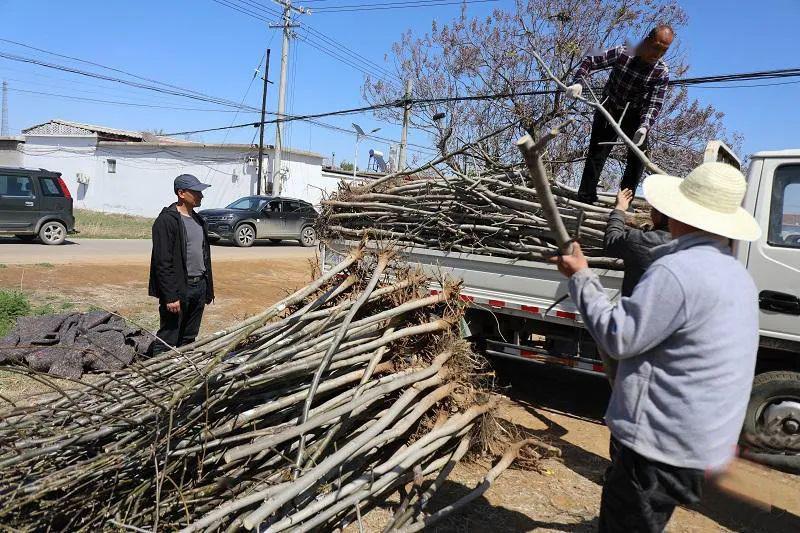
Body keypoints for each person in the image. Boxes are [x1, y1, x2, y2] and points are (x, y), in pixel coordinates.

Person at [551, 162, 761, 532]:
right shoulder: (738, 276)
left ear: (680, 214)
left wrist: (582, 278)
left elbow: (618, 336)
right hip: (696, 444)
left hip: (657, 447)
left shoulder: (677, 270)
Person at [566, 24, 674, 204]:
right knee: (597, 153)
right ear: (648, 40)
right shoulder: (624, 53)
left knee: (638, 158)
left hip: (635, 116)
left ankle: (624, 203)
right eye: (656, 47)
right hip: (609, 108)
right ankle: (585, 197)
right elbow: (590, 60)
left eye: (664, 51)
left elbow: (654, 104)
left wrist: (644, 126)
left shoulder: (661, 72)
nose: (658, 54)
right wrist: (579, 82)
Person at [148, 174, 215, 355]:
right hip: (179, 287)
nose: (201, 196)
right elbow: (162, 262)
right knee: (169, 336)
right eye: (197, 192)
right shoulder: (166, 221)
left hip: (199, 285)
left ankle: (182, 371)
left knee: (189, 336)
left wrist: (207, 289)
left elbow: (204, 257)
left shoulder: (199, 221)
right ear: (182, 193)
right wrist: (170, 296)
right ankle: (158, 374)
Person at [604, 188, 671, 297]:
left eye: (653, 209)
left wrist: (619, 209)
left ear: (658, 215)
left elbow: (611, 241)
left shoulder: (640, 240)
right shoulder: (693, 248)